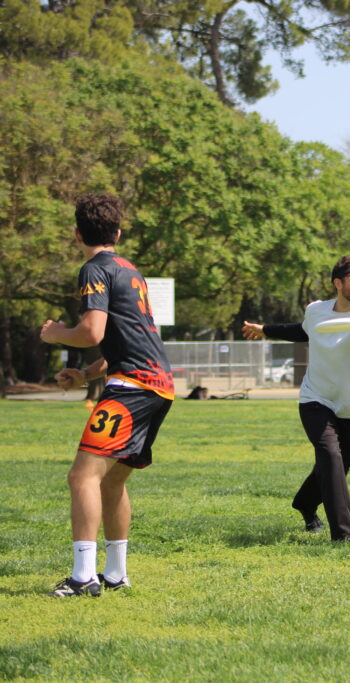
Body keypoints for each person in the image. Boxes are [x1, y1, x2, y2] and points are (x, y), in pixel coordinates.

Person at [39, 193, 175, 597]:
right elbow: (126, 341)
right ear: (118, 232)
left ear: (77, 233)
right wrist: (85, 374)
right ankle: (115, 574)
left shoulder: (93, 269)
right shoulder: (130, 271)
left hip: (131, 387)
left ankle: (83, 578)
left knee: (82, 477)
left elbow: (92, 332)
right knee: (112, 481)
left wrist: (54, 334)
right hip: (159, 386)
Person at [242, 256, 350, 544]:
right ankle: (345, 536)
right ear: (338, 283)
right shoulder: (316, 311)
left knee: (335, 467)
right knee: (330, 458)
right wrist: (266, 330)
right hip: (315, 398)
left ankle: (305, 504)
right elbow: (303, 329)